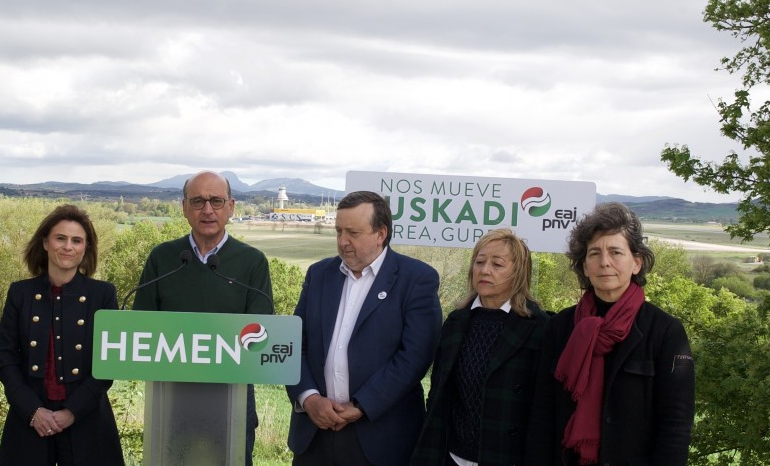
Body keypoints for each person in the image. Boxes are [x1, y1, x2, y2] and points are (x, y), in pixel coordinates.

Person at [526, 202, 695, 466]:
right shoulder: (560, 326)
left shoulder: (664, 331)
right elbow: (542, 414)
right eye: (594, 253)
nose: (604, 262)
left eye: (616, 252)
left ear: (637, 262)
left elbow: (675, 425)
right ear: (584, 266)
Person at [286, 190, 442, 466]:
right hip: (314, 436)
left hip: (380, 439)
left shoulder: (416, 279)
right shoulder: (319, 274)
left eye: (353, 233)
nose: (342, 242)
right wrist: (308, 399)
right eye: (338, 231)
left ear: (381, 233)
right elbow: (293, 344)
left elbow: (415, 357)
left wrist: (361, 406)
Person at [132, 170, 273, 466]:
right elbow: (140, 326)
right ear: (184, 207)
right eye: (197, 201)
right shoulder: (163, 258)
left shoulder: (252, 261)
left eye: (216, 201)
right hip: (171, 400)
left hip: (232, 399)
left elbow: (261, 335)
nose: (207, 210)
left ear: (231, 207)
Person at [0, 204, 124, 465]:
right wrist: (32, 411)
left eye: (77, 240)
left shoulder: (103, 294)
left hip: (86, 418)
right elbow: (7, 359)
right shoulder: (20, 293)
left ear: (85, 248)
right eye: (60, 238)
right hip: (30, 419)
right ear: (45, 242)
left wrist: (72, 412)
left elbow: (107, 363)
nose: (68, 247)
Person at [413, 229, 548, 466]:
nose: (485, 270)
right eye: (479, 261)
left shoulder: (540, 327)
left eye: (497, 264)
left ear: (517, 273)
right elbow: (438, 395)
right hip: (451, 455)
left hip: (507, 457)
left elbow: (543, 410)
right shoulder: (456, 321)